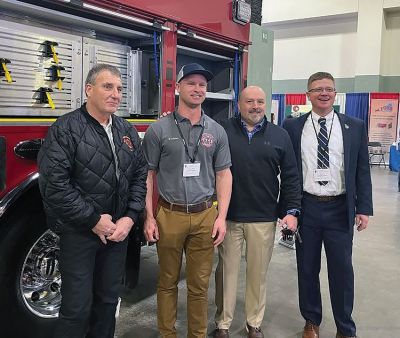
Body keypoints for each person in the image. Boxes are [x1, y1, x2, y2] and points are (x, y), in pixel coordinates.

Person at [38, 64, 147, 338]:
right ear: (89, 89)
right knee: (76, 309)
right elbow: (55, 186)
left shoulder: (126, 131)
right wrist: (94, 220)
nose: (115, 94)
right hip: (79, 235)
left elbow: (139, 176)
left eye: (120, 89)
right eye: (107, 86)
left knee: (108, 303)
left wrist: (130, 217)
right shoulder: (65, 129)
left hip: (117, 236)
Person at [142, 63, 232, 338]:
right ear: (178, 87)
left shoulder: (216, 131)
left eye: (202, 84)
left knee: (199, 285)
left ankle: (197, 334)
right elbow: (146, 176)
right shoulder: (159, 130)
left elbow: (224, 175)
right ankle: (167, 334)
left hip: (205, 214)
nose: (198, 88)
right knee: (167, 282)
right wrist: (148, 216)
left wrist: (221, 217)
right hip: (169, 214)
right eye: (191, 83)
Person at [283, 72, 373, 338]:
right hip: (307, 207)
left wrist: (364, 208)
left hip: (339, 208)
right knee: (307, 268)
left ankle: (345, 327)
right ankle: (311, 321)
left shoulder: (354, 126)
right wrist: (289, 209)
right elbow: (289, 172)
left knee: (342, 270)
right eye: (317, 89)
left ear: (335, 93)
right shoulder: (293, 126)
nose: (324, 93)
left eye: (329, 89)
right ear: (307, 94)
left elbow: (362, 170)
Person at [213, 86, 302, 338]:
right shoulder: (223, 130)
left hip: (263, 217)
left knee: (258, 274)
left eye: (260, 102)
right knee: (225, 273)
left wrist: (291, 211)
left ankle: (254, 322)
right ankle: (223, 323)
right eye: (249, 101)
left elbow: (291, 177)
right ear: (238, 104)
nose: (255, 106)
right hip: (229, 217)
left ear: (265, 105)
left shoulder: (280, 135)